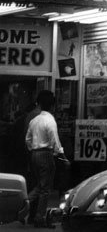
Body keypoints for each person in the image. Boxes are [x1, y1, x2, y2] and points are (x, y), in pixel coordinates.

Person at [21, 90, 64, 228]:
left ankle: (22, 204)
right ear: (52, 106)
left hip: (34, 153)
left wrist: (32, 149)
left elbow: (27, 139)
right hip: (46, 154)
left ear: (39, 104)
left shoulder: (34, 120)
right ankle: (40, 218)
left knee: (40, 185)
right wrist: (61, 155)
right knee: (45, 189)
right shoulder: (50, 120)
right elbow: (55, 141)